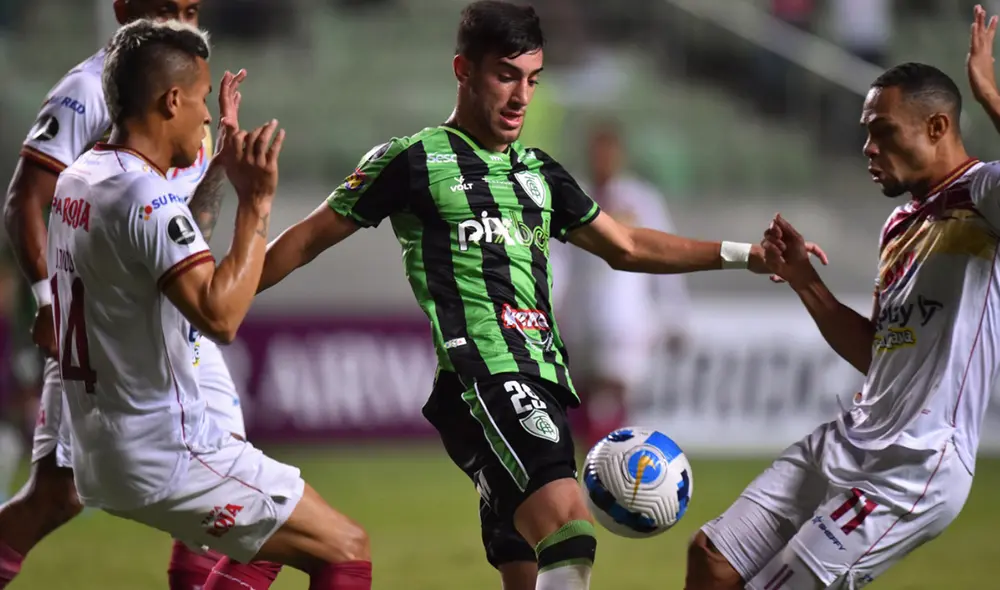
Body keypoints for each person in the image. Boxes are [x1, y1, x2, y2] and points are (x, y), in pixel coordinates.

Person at [257, 2, 825, 589]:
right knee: (571, 530)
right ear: (464, 70)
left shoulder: (540, 174)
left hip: (543, 378)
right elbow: (303, 243)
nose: (521, 96)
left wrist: (745, 255)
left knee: (525, 569)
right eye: (506, 75)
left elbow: (626, 245)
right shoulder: (413, 161)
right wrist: (213, 297)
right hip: (485, 376)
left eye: (533, 79)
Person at [43, 19, 372, 590]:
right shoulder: (144, 197)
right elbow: (220, 316)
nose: (204, 114)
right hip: (164, 447)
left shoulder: (82, 178)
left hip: (101, 451)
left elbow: (162, 256)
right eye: (199, 100)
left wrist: (217, 168)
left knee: (264, 544)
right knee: (345, 549)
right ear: (172, 100)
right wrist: (257, 204)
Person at [685, 8, 1000, 589]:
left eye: (883, 131)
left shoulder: (983, 197)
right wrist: (804, 279)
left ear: (936, 127)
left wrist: (988, 93)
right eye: (865, 132)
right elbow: (878, 353)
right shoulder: (901, 224)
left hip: (915, 465)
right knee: (711, 556)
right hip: (853, 436)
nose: (868, 147)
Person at [0, 2, 257, 589]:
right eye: (167, 8)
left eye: (190, 9)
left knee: (224, 492)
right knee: (56, 498)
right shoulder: (92, 87)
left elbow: (183, 224)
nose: (182, 19)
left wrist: (220, 171)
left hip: (176, 324)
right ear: (125, 9)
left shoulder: (186, 87)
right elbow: (26, 200)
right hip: (110, 327)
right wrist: (48, 300)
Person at [552, 121, 691, 448]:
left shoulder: (641, 200)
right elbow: (556, 258)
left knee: (614, 386)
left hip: (626, 313)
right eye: (597, 153)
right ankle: (600, 464)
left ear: (619, 156)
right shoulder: (573, 196)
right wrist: (551, 304)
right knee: (585, 393)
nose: (602, 159)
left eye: (608, 152)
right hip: (580, 312)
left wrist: (675, 312)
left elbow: (663, 253)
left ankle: (612, 461)